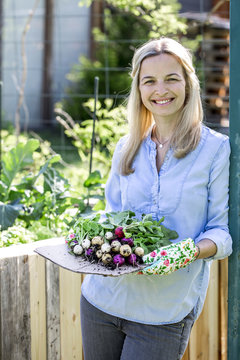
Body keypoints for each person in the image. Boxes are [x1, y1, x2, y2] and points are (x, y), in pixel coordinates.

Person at [80, 37, 232, 360]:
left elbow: (221, 231)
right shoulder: (127, 147)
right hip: (102, 301)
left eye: (171, 78)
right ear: (139, 88)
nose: (160, 90)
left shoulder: (215, 150)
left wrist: (188, 251)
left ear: (188, 83)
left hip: (163, 312)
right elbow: (112, 216)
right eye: (149, 81)